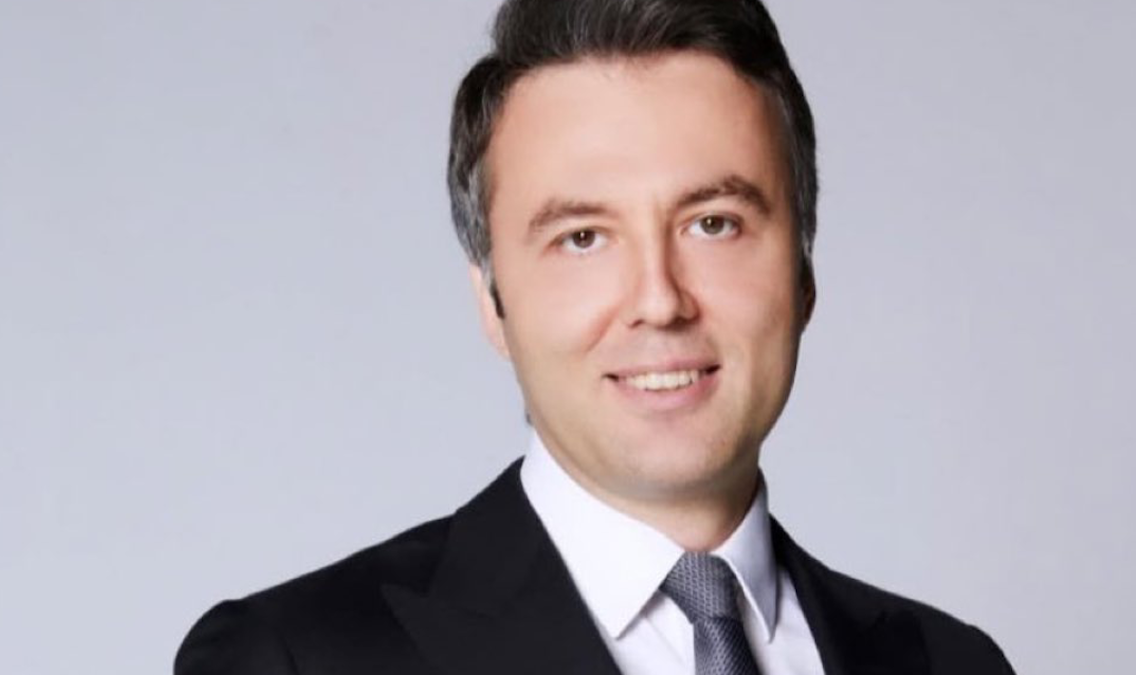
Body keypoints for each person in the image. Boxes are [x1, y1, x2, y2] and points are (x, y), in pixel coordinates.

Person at [175, 0, 1016, 673]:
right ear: (493, 301)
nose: (659, 300)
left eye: (714, 223)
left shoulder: (953, 662)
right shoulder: (291, 659)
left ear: (803, 272)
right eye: (583, 237)